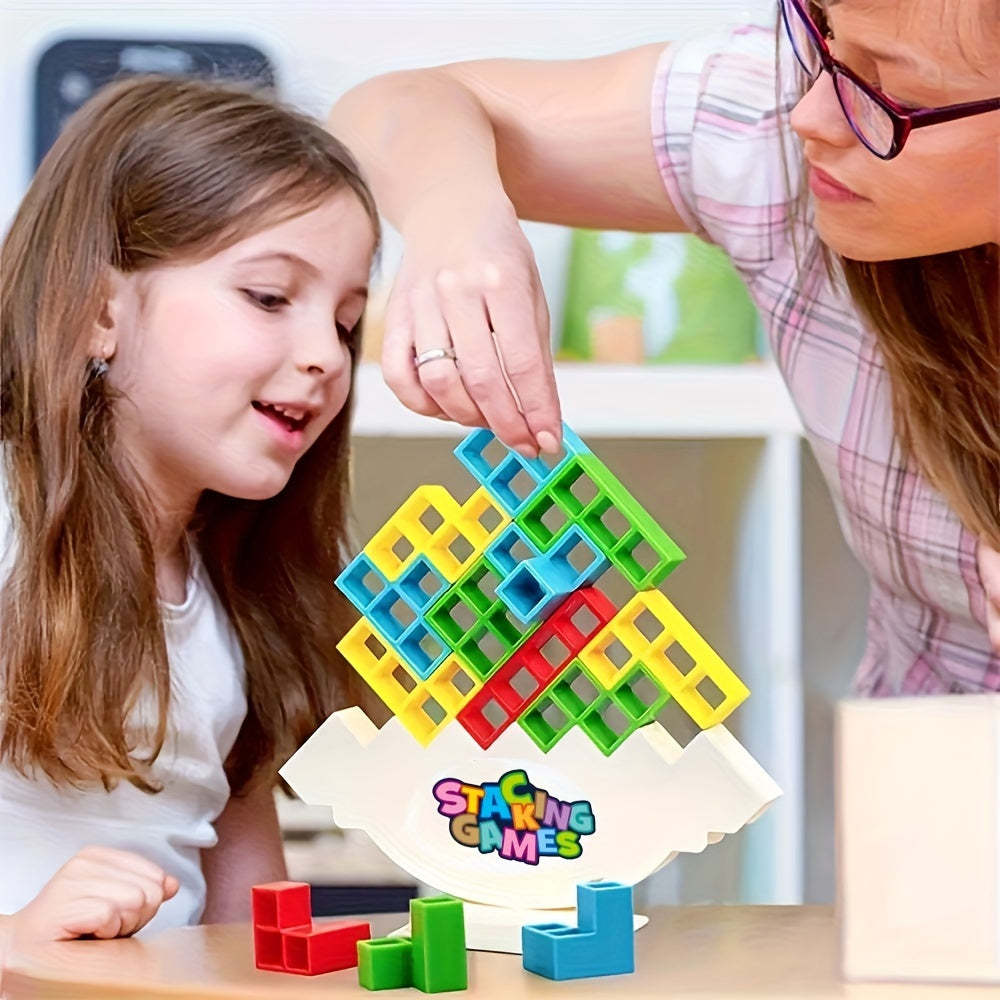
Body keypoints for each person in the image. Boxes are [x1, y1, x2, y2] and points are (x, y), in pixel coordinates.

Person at [326, 0, 999, 691]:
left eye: (896, 94)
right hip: (918, 763)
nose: (814, 117)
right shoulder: (770, 131)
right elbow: (398, 104)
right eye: (822, 36)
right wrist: (455, 218)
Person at [0, 75, 379, 946]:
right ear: (102, 311)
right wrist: (14, 940)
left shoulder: (233, 601)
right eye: (270, 297)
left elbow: (251, 934)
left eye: (347, 322)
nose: (325, 355)